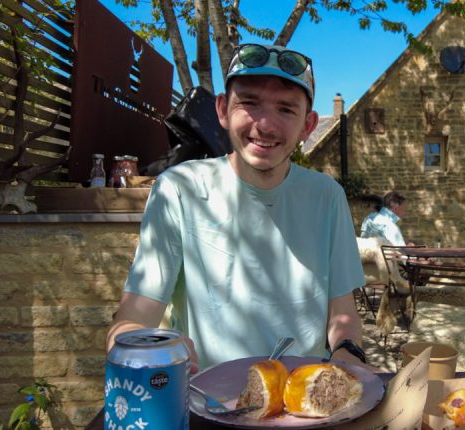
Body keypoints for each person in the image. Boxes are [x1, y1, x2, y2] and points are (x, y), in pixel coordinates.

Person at [106, 43, 369, 373]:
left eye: (286, 110)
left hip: (301, 401)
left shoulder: (327, 196)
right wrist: (155, 348)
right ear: (223, 110)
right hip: (207, 402)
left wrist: (348, 353)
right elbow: (132, 320)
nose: (266, 125)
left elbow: (343, 312)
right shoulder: (179, 189)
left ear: (308, 125)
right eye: (249, 103)